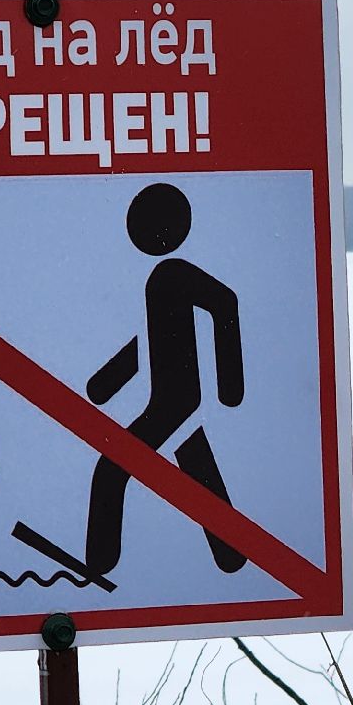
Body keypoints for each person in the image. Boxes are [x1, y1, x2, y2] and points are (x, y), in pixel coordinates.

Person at [82, 183, 247, 577]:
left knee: (111, 470)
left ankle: (97, 568)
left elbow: (225, 304)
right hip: (170, 400)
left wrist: (230, 388)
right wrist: (105, 384)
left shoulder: (172, 273)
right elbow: (149, 342)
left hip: (178, 401)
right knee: (195, 468)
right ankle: (232, 552)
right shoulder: (159, 279)